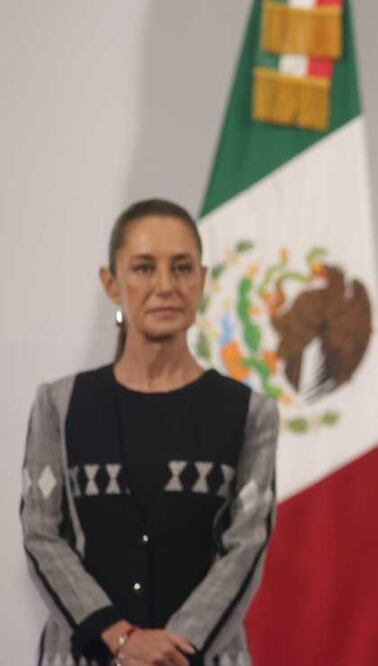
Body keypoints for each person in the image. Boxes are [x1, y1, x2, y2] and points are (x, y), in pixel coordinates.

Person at [20, 199, 278, 666]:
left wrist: (172, 649)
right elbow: (41, 534)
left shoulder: (249, 413)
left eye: (181, 268)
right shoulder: (59, 405)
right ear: (110, 282)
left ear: (201, 279)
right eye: (143, 268)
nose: (165, 286)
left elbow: (247, 544)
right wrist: (118, 638)